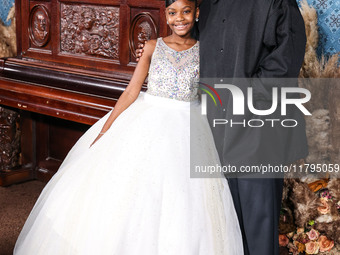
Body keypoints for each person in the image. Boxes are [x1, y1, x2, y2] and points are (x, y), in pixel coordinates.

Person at [14, 0, 244, 254]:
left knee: (186, 199)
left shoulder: (205, 51)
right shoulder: (152, 47)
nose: (180, 18)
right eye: (173, 12)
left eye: (186, 11)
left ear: (197, 13)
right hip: (150, 118)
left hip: (189, 125)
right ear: (165, 16)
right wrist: (107, 127)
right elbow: (132, 90)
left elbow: (211, 91)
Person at [137, 0, 308, 254]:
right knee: (224, 221)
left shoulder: (276, 2)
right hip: (214, 129)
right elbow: (191, 49)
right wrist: (158, 51)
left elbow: (285, 62)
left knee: (258, 220)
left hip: (257, 128)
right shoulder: (205, 5)